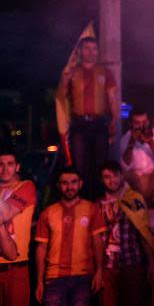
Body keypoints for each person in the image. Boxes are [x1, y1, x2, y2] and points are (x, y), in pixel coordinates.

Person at [35, 166, 106, 306]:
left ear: (80, 184)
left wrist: (99, 271)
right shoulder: (48, 213)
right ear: (59, 186)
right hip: (54, 278)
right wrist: (39, 281)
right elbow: (41, 248)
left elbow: (98, 242)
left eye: (73, 182)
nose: (70, 186)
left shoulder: (91, 209)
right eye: (65, 183)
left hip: (82, 277)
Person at [96, 161, 154, 306]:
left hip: (133, 263)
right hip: (108, 266)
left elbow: (144, 232)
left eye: (115, 175)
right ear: (102, 180)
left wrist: (151, 263)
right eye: (107, 176)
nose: (112, 180)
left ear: (122, 176)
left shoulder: (134, 198)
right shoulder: (97, 204)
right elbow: (96, 239)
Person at [57, 36, 119, 197]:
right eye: (87, 48)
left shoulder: (105, 72)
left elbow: (112, 98)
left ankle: (99, 200)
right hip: (79, 123)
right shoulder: (73, 71)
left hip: (100, 123)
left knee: (101, 164)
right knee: (79, 163)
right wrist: (65, 77)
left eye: (94, 48)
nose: (91, 52)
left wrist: (114, 120)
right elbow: (62, 95)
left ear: (98, 51)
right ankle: (81, 199)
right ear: (80, 51)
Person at [0, 146, 36, 306]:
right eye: (0, 164)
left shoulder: (26, 186)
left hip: (16, 268)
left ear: (17, 167)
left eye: (9, 164)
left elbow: (5, 214)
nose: (4, 169)